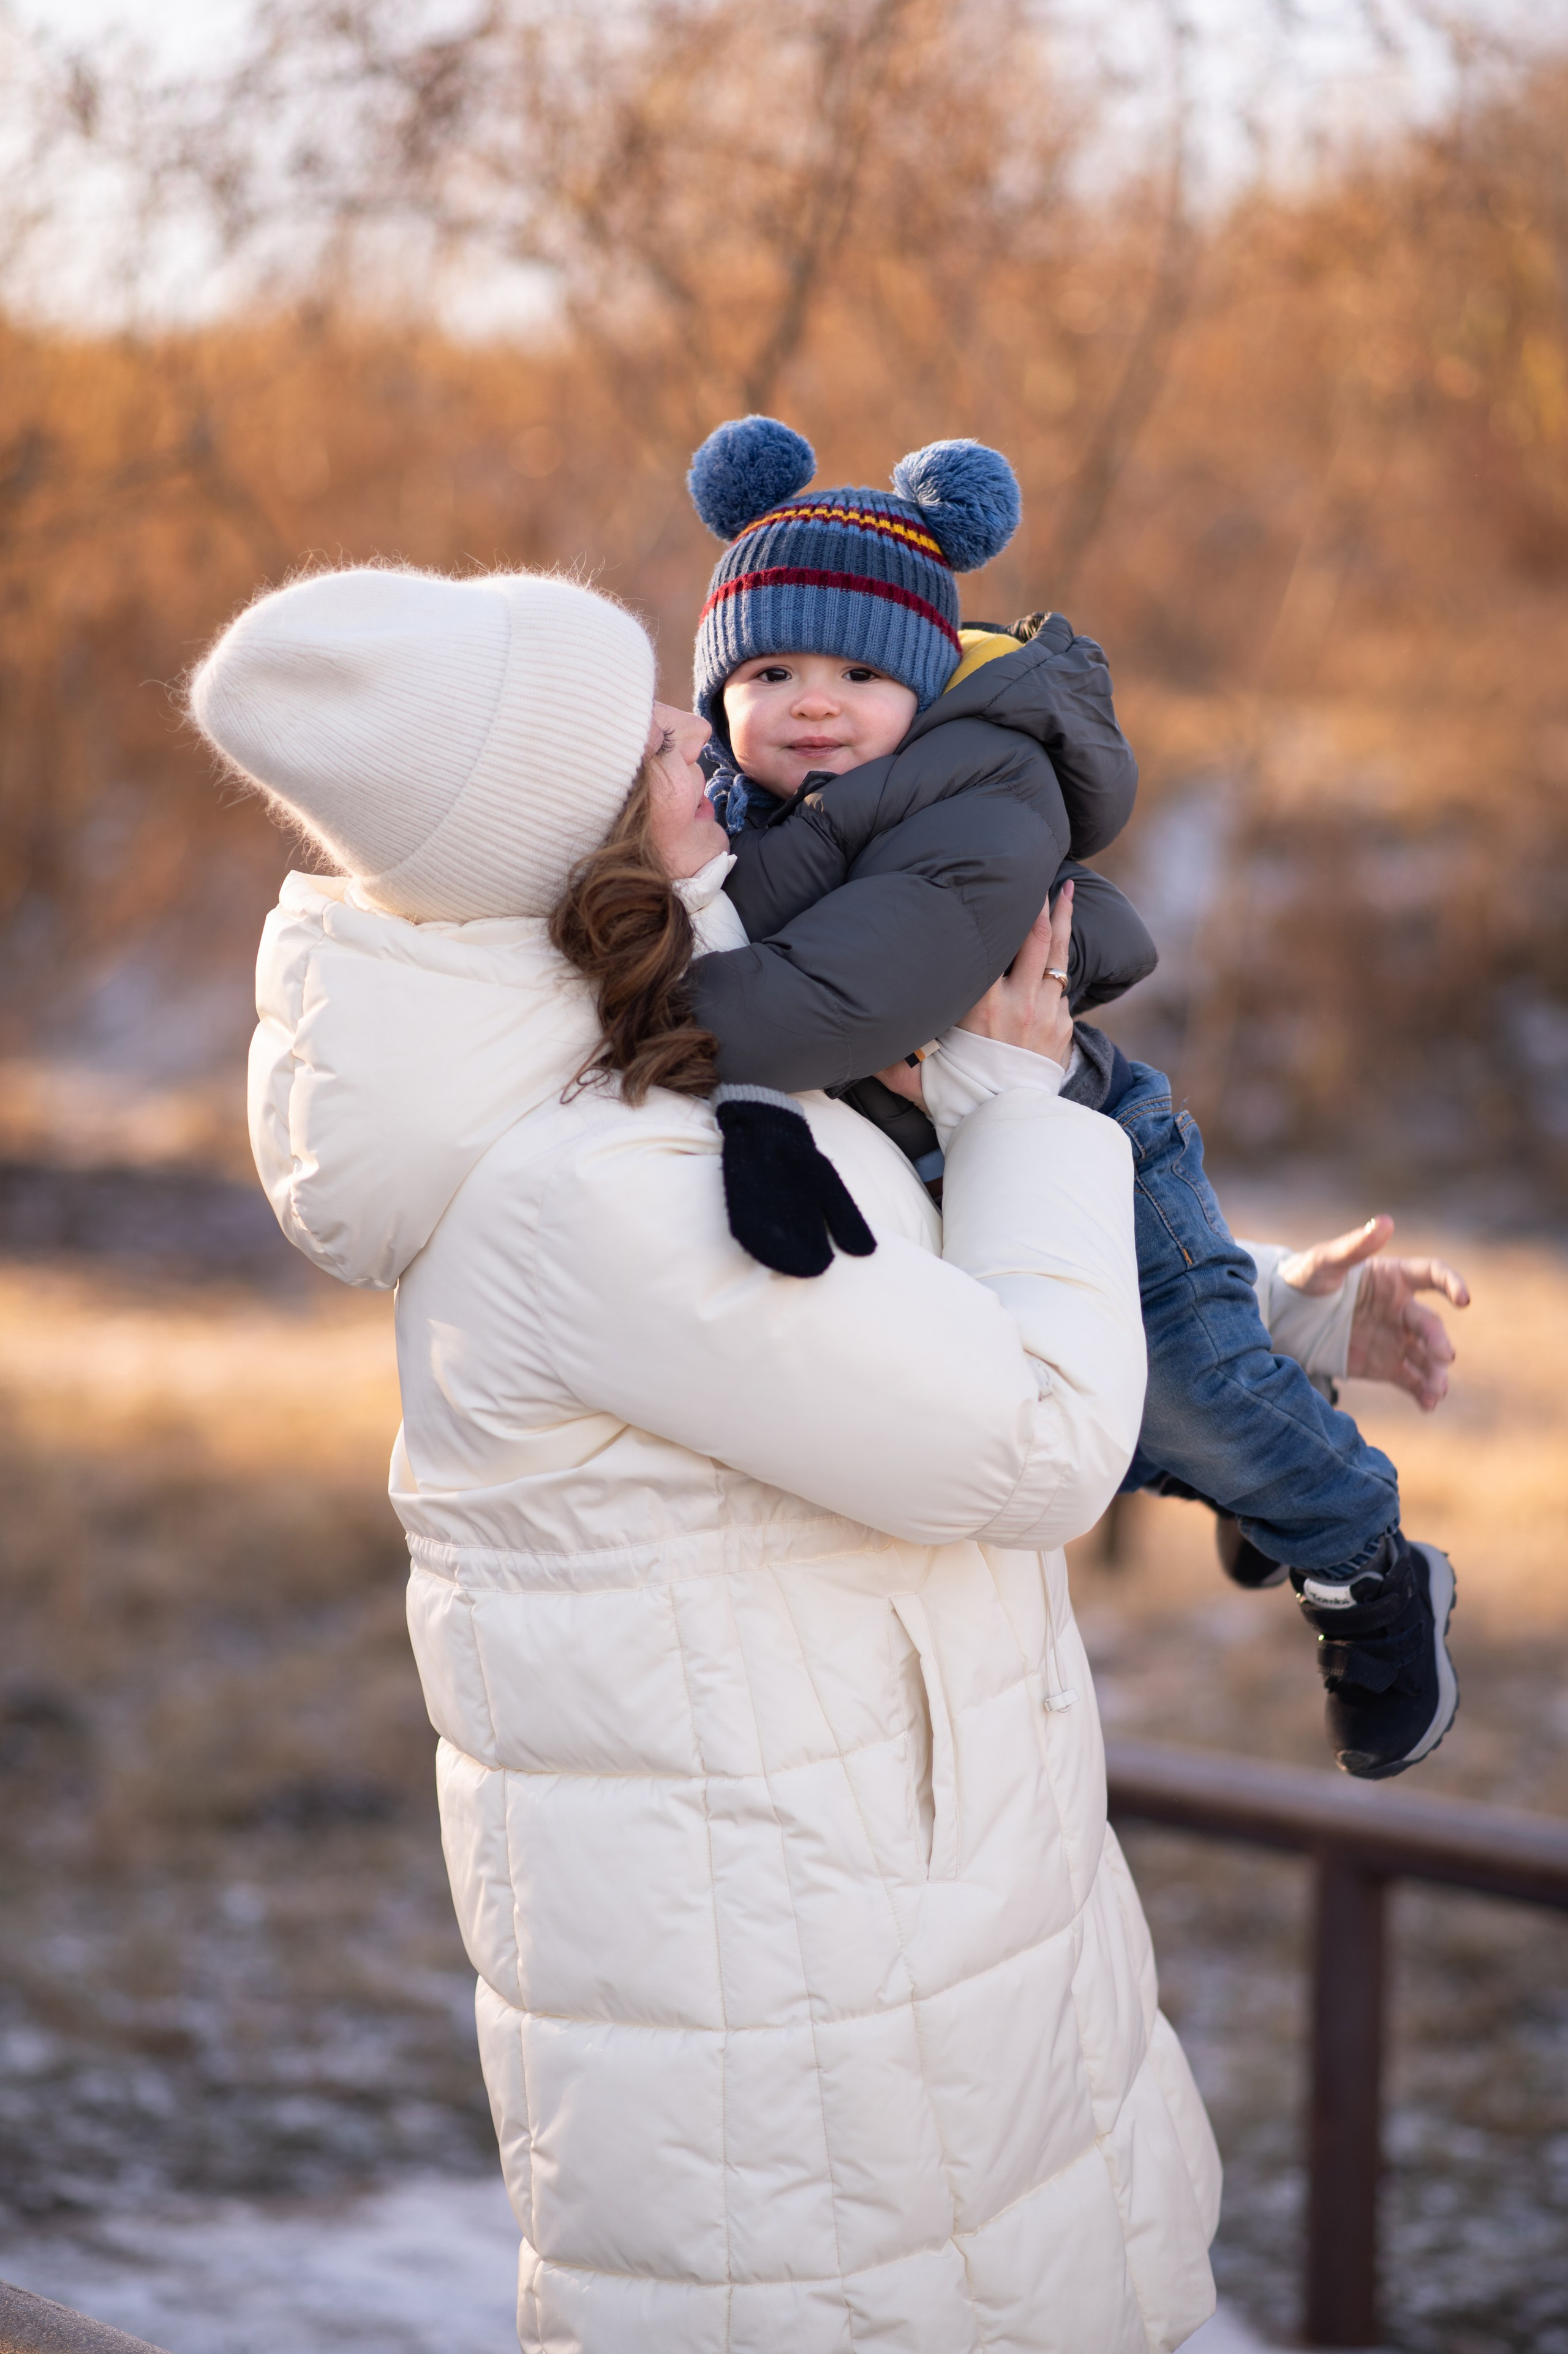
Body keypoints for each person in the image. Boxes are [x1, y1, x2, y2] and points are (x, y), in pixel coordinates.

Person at [191, 561, 1223, 2353]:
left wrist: (1275, 1317)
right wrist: (1017, 1101)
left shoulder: (661, 1058)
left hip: (884, 1971)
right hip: (817, 2077)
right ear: (567, 828)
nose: (700, 721)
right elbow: (1039, 1441)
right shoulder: (601, 1183)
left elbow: (898, 1295)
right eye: (647, 728)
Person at [677, 413, 1468, 1782]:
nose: (812, 698)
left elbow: (842, 1007)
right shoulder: (720, 816)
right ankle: (1265, 1464)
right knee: (1125, 1407)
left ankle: (1364, 1559)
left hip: (1089, 1135)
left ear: (923, 688)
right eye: (769, 667)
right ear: (714, 694)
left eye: (860, 669)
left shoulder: (972, 799)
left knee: (1185, 1396)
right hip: (963, 1159)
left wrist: (655, 1007)